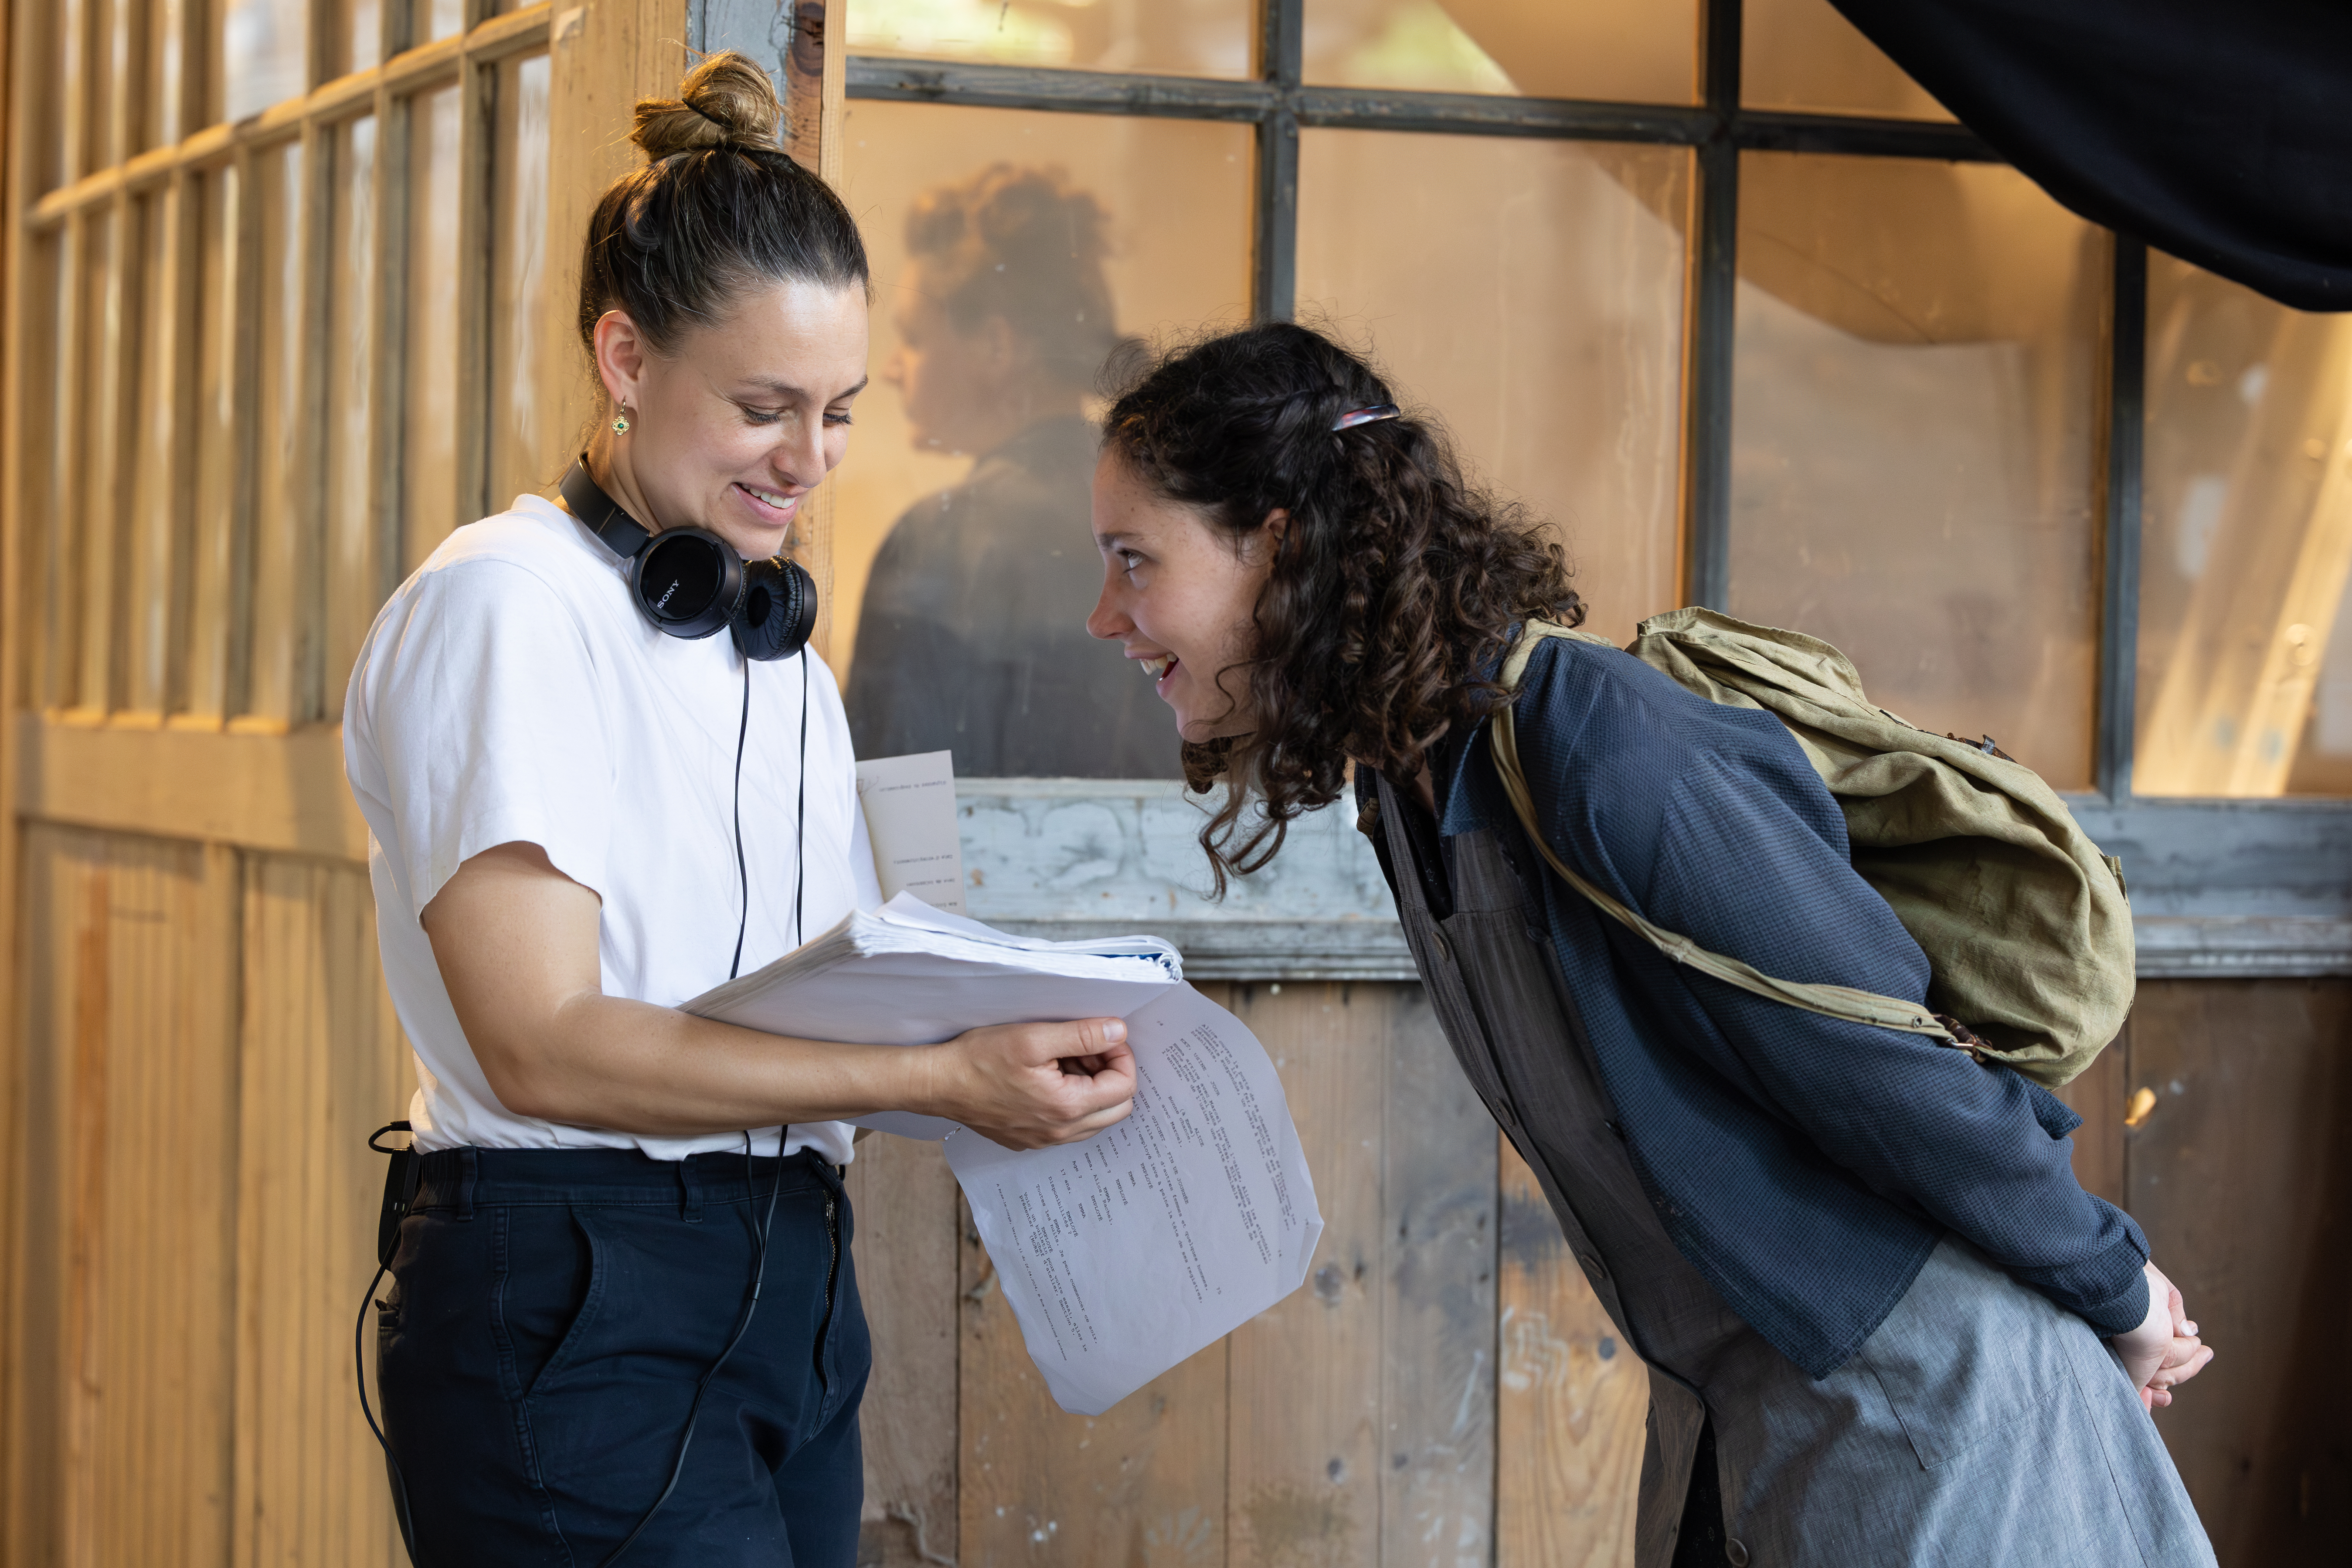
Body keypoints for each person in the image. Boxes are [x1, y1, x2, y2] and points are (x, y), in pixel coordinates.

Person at [1083, 321, 2218, 1567]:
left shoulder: (1598, 741)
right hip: (1737, 1426)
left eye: (1134, 560)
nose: (1105, 615)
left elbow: (1900, 1074)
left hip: (1934, 1418)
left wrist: (2116, 1289)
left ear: (1280, 543)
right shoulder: (1406, 786)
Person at [343, 54, 1134, 1568]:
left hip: (791, 1284)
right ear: (625, 356)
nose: (808, 462)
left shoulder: (778, 646)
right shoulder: (505, 608)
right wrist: (943, 1073)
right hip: (581, 1289)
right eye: (762, 407)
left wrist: (1010, 1051)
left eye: (835, 414)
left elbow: (872, 959)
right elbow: (542, 1037)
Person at [846, 164, 1176, 778]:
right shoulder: (1168, 520)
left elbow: (892, 809)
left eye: (914, 338)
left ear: (997, 346)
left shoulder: (935, 540)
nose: (891, 369)